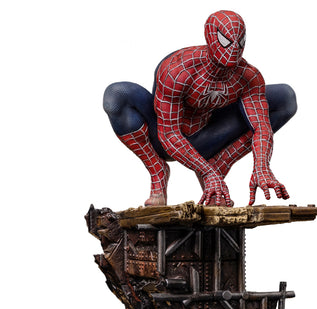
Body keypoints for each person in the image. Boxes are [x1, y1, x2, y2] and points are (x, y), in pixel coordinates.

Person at [103, 10, 297, 206]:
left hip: (209, 138)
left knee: (285, 97)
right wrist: (207, 173)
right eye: (226, 41)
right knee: (117, 95)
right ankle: (157, 171)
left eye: (240, 42)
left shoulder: (248, 76)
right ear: (210, 37)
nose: (234, 50)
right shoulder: (178, 69)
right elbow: (169, 134)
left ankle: (220, 163)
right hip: (163, 137)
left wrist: (262, 167)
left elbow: (261, 127)